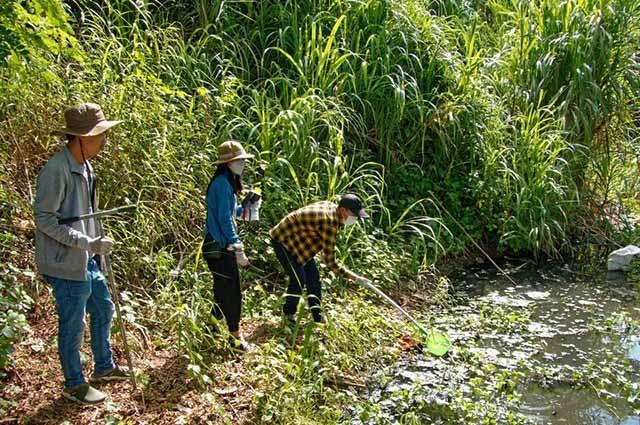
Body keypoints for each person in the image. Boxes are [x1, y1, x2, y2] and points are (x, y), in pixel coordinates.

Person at [33, 103, 129, 404]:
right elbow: (44, 220)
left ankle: (104, 366)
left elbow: (90, 213)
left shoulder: (86, 167)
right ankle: (74, 383)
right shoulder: (56, 170)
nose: (104, 140)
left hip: (86, 258)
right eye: (99, 135)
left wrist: (96, 246)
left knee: (103, 308)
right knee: (73, 324)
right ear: (81, 137)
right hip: (64, 262)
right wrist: (86, 242)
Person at [270, 194, 372, 324]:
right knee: (298, 279)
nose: (355, 218)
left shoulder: (333, 208)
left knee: (314, 279)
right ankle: (288, 315)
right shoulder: (329, 223)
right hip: (282, 240)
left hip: (300, 242)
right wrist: (355, 278)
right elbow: (330, 262)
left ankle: (317, 315)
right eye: (354, 214)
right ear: (342, 210)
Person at [203, 140, 260, 352]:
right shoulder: (221, 184)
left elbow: (229, 212)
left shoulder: (224, 182)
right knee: (233, 293)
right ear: (227, 163)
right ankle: (235, 339)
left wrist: (245, 206)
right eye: (238, 160)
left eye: (242, 160)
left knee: (221, 289)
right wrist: (236, 245)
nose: (242, 163)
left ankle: (212, 326)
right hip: (219, 247)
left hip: (218, 246)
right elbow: (224, 219)